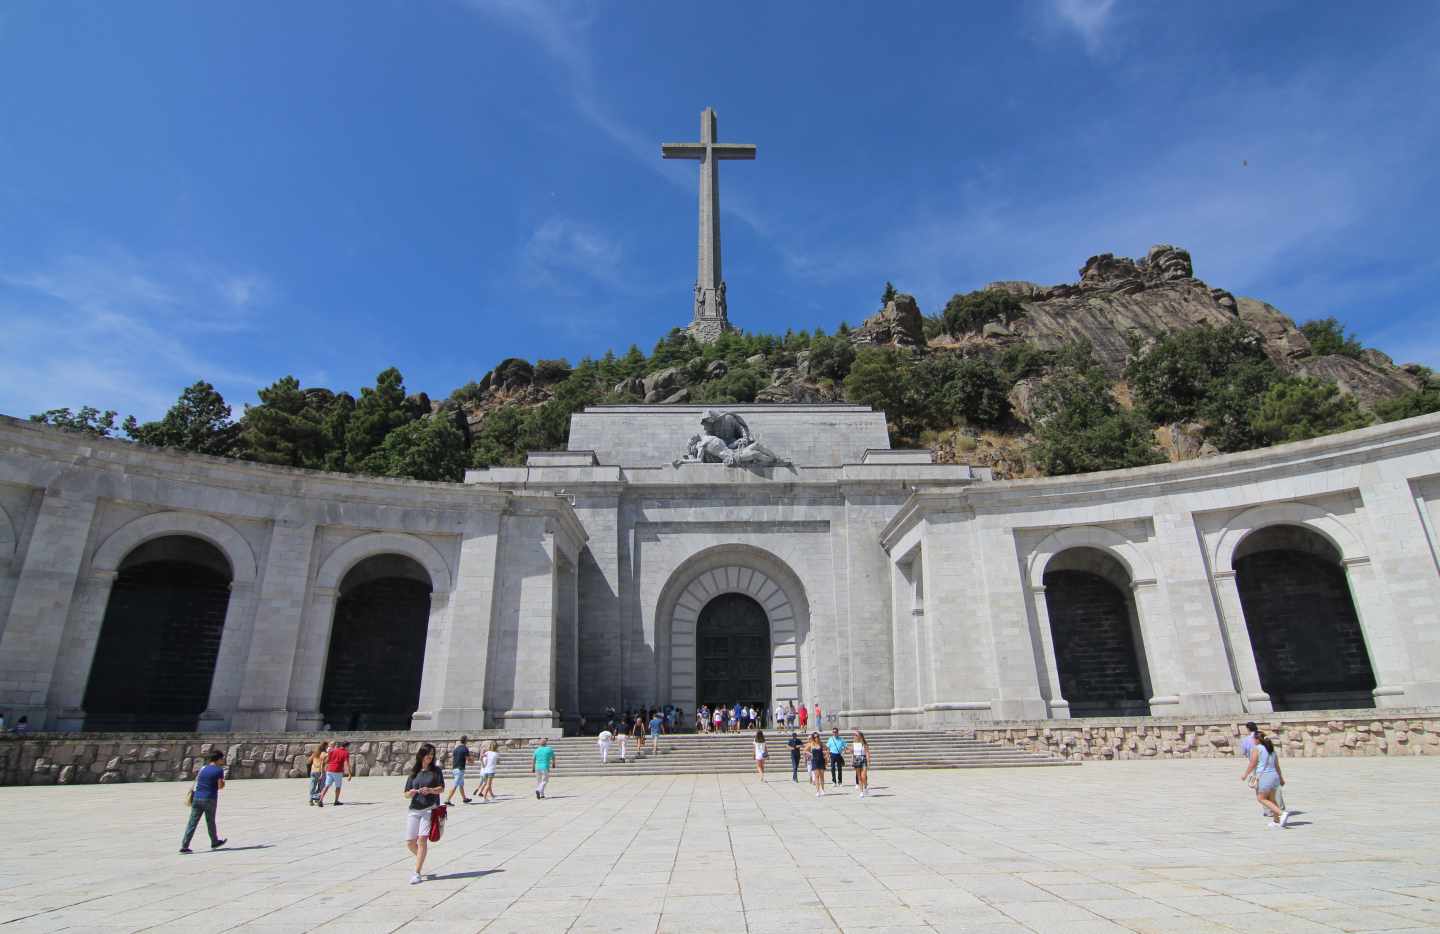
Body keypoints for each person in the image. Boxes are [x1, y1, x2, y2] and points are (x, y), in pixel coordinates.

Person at [403, 743, 446, 884]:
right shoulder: (414, 772)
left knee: (422, 840)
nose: (430, 757)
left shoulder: (436, 771)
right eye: (428, 754)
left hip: (429, 809)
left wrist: (430, 790)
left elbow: (441, 788)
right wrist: (411, 792)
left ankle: (417, 872)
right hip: (414, 809)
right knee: (410, 842)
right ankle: (421, 858)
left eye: (432, 755)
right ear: (422, 755)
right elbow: (405, 793)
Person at [1239, 731, 1290, 828]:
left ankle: (1281, 813)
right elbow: (1277, 766)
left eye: (1253, 738)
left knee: (1261, 798)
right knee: (1272, 799)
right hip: (1274, 776)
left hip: (1264, 776)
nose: (1252, 740)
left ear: (1258, 739)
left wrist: (1245, 774)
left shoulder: (1257, 749)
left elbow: (1253, 763)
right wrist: (1281, 778)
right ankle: (1276, 821)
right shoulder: (1271, 750)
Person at [180, 750, 227, 854]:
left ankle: (184, 845)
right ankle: (214, 842)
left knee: (192, 822)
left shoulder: (203, 768)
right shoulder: (219, 770)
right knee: (210, 821)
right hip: (209, 798)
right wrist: (223, 783)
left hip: (197, 797)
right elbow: (220, 786)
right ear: (218, 759)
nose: (223, 760)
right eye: (222, 758)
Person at [318, 740, 351, 806]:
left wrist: (325, 766)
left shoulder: (333, 750)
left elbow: (326, 759)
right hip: (337, 771)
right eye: (348, 746)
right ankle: (336, 801)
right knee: (338, 786)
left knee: (326, 786)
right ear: (347, 746)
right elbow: (347, 763)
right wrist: (349, 774)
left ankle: (320, 800)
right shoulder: (345, 753)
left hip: (329, 770)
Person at [445, 736, 473, 805]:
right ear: (466, 741)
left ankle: (464, 799)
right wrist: (472, 761)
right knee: (455, 785)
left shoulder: (456, 749)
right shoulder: (465, 748)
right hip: (460, 769)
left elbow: (453, 759)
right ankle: (447, 800)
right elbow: (468, 759)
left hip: (455, 768)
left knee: (461, 785)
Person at [307, 741, 329, 806]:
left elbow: (308, 761)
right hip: (321, 772)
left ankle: (311, 800)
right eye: (327, 746)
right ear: (325, 746)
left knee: (312, 786)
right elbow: (327, 761)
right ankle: (317, 798)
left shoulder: (315, 753)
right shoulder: (324, 753)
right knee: (321, 787)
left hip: (313, 771)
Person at [808, 733, 828, 797]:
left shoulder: (821, 744)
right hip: (815, 761)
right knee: (816, 776)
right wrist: (810, 754)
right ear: (813, 738)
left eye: (818, 737)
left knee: (822, 776)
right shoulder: (811, 744)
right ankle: (817, 791)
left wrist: (826, 755)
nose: (817, 738)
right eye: (815, 737)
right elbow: (804, 750)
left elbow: (828, 749)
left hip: (821, 761)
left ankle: (822, 789)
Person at [852, 731, 871, 798]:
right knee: (859, 777)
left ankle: (865, 786)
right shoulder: (854, 744)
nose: (855, 736)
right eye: (854, 735)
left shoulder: (864, 744)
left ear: (860, 736)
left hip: (863, 759)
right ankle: (861, 792)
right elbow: (853, 752)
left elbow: (867, 753)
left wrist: (869, 761)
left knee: (863, 776)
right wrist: (847, 751)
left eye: (856, 735)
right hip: (856, 760)